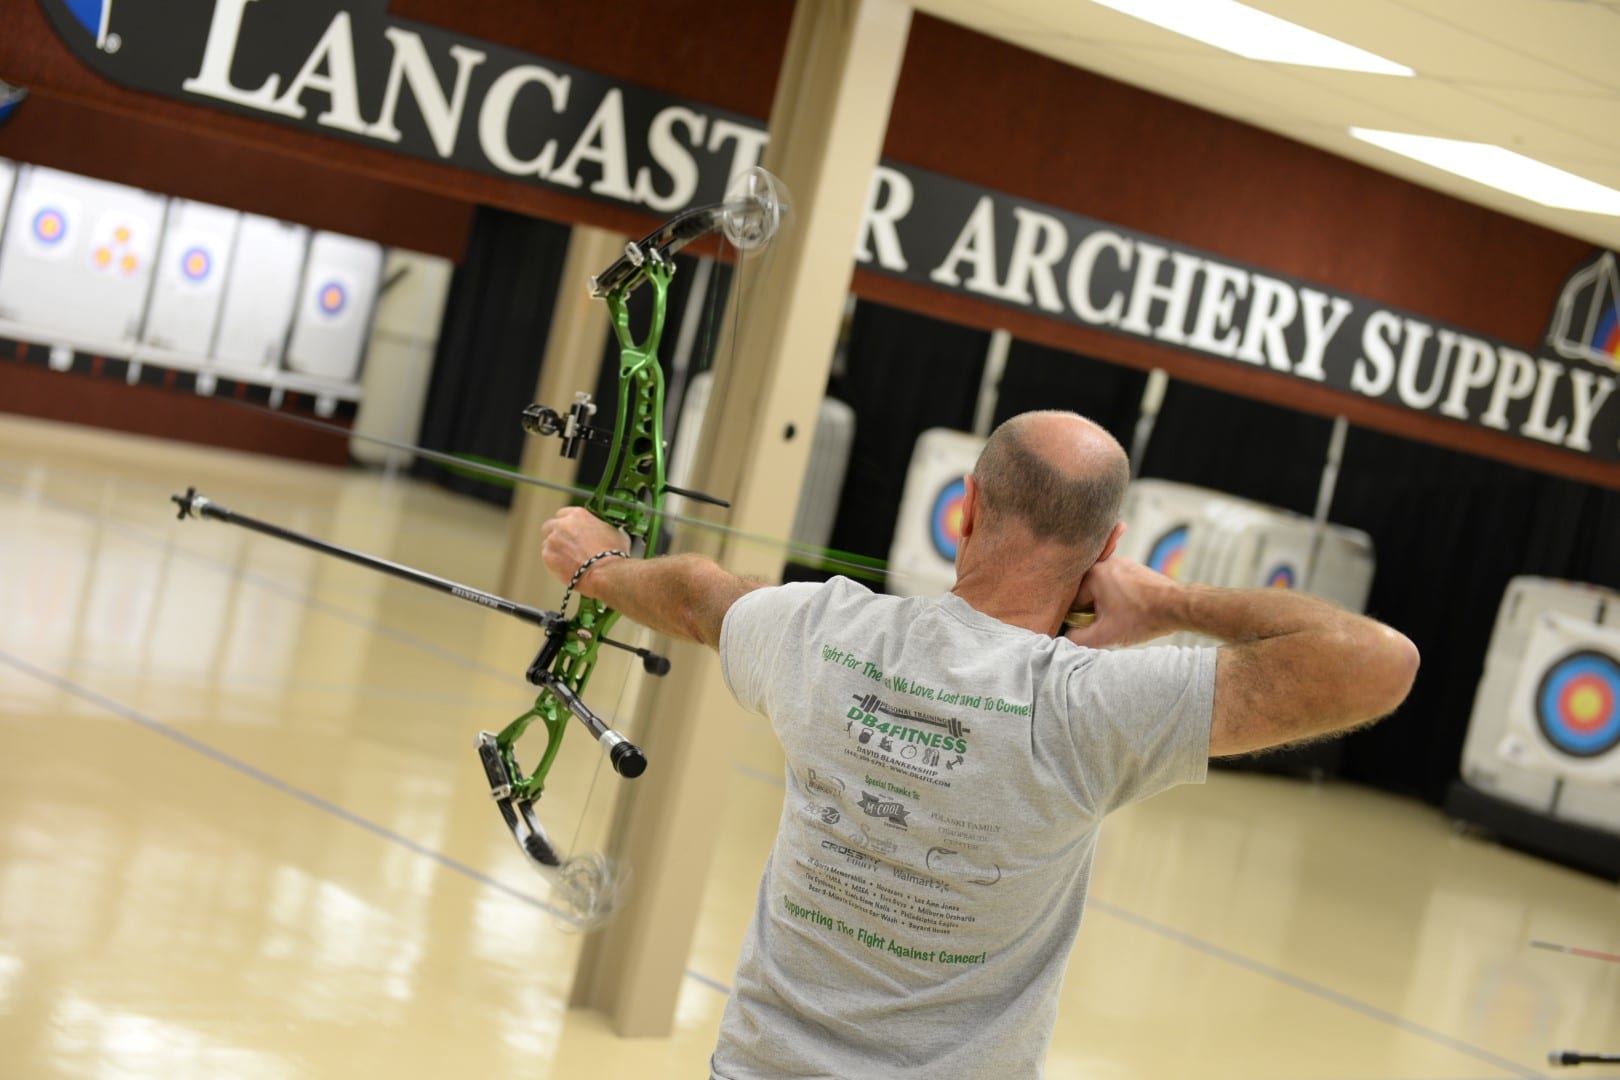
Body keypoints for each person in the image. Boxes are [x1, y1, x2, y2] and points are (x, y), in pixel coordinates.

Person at [539, 410, 1419, 1080]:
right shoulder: (1094, 706)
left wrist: (598, 567)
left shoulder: (825, 630)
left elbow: (698, 595)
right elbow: (1378, 663)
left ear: (966, 509)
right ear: (1109, 547)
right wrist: (1170, 604)